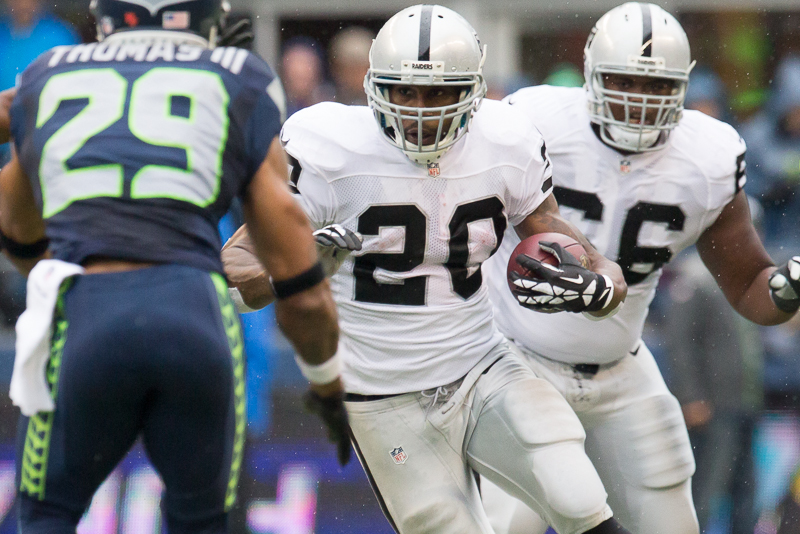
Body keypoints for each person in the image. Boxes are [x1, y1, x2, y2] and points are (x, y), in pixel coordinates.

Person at [223, 5, 637, 534]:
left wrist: (603, 283)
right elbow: (233, 268)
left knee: (577, 496)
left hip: (481, 365)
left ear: (473, 92)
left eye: (439, 93)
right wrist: (297, 269)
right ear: (373, 86)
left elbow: (561, 237)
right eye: (405, 92)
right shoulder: (327, 148)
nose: (420, 110)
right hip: (382, 395)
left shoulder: (505, 139)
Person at [0, 0, 343, 531]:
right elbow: (298, 281)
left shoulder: (49, 74)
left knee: (44, 514)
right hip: (193, 312)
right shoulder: (238, 77)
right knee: (203, 521)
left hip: (88, 311)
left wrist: (64, 268)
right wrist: (326, 385)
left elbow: (15, 222)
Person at [478, 3, 800, 534]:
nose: (638, 99)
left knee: (671, 523)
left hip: (620, 369)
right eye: (624, 81)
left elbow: (748, 283)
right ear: (590, 75)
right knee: (507, 523)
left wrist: (789, 288)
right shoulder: (532, 121)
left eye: (656, 85)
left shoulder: (708, 155)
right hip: (515, 360)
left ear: (682, 87)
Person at [328, 26, 372, 106]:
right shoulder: (325, 98)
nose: (356, 75)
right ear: (337, 69)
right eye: (351, 69)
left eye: (360, 68)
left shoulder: (385, 102)